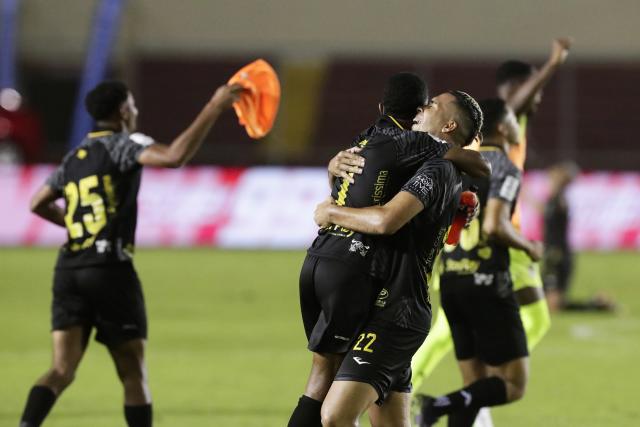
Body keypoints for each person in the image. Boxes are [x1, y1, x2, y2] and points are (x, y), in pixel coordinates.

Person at [20, 80, 242, 427]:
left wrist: (79, 227)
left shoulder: (75, 156)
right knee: (132, 374)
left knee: (61, 369)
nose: (136, 111)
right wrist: (214, 106)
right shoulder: (124, 143)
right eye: (133, 105)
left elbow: (37, 202)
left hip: (69, 268)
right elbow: (173, 157)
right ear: (123, 111)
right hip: (109, 270)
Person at [287, 73, 489, 427]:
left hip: (398, 312)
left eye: (433, 104)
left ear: (450, 124)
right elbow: (367, 189)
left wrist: (328, 211)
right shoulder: (417, 159)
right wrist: (334, 170)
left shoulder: (439, 166)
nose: (423, 108)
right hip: (380, 298)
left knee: (334, 415)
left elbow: (385, 221)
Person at [411, 38, 573, 414]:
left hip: (473, 251)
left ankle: (473, 396)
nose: (539, 97)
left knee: (534, 316)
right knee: (450, 334)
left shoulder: (474, 147)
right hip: (496, 246)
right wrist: (551, 65)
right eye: (534, 88)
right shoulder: (500, 130)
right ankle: (411, 390)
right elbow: (514, 106)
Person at [416, 99, 544, 427]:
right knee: (513, 384)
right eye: (516, 122)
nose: (520, 127)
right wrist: (529, 246)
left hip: (452, 279)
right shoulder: (502, 166)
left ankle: (446, 405)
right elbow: (494, 226)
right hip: (487, 282)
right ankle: (436, 404)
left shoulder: (458, 162)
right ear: (504, 127)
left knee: (474, 388)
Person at [543, 162, 615, 312]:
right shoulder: (554, 200)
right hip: (553, 252)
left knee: (553, 305)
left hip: (558, 255)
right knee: (546, 301)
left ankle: (596, 305)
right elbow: (544, 211)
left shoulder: (561, 201)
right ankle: (598, 303)